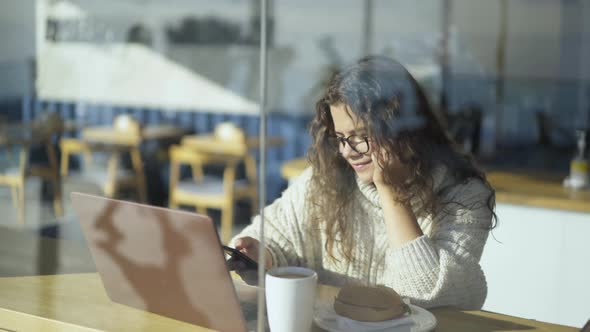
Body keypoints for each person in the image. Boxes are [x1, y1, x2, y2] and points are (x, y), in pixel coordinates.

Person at [230, 55, 496, 310]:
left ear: (404, 129)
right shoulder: (325, 179)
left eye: (361, 136)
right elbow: (274, 234)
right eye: (341, 137)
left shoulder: (464, 196)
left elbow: (423, 292)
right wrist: (260, 253)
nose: (347, 152)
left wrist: (391, 191)